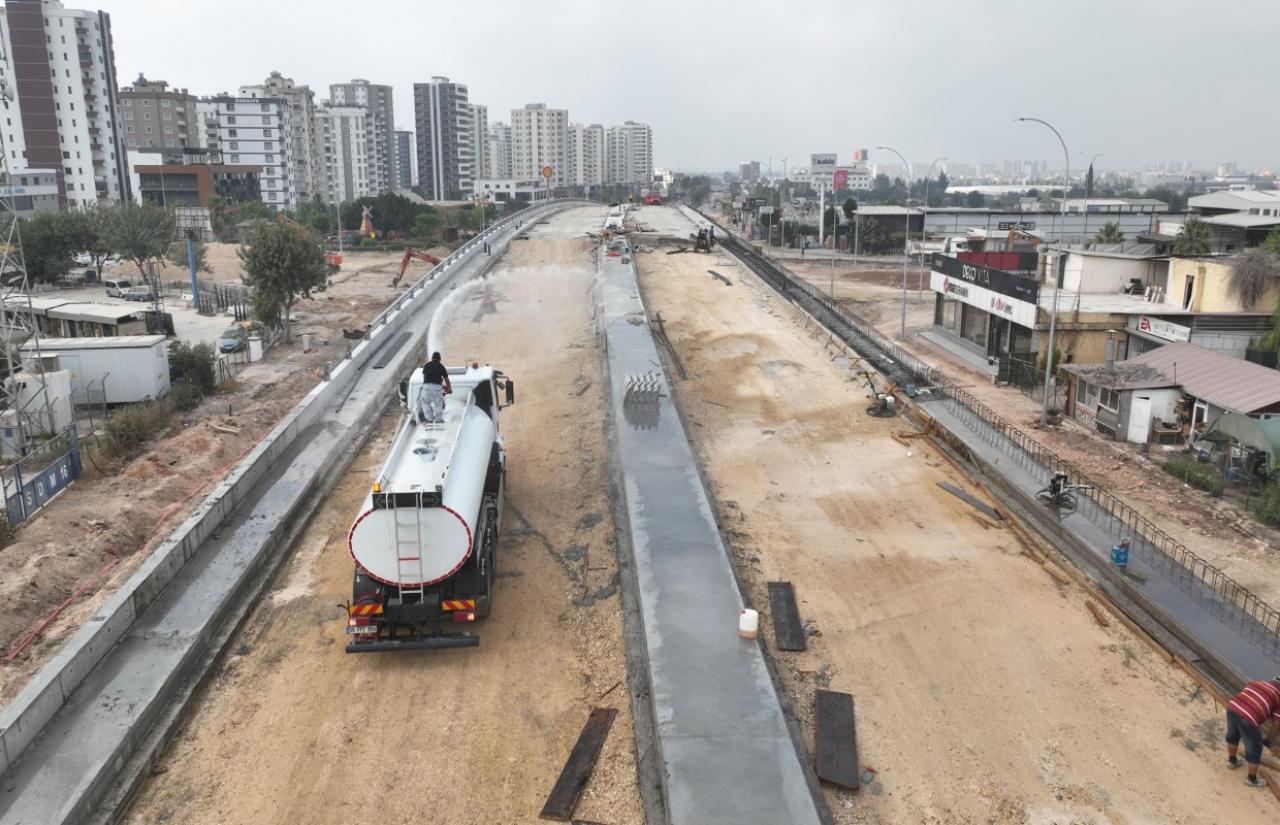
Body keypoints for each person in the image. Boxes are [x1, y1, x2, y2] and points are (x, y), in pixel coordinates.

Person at [1225, 676, 1280, 789]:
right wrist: (1269, 740)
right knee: (1255, 749)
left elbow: (1252, 697)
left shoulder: (1257, 682)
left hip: (1232, 707)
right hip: (1249, 719)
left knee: (1233, 736)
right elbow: (1277, 724)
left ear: (1272, 681)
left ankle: (1232, 761)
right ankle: (1252, 779)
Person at [417, 352, 452, 424]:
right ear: (439, 359)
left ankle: (429, 419)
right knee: (438, 403)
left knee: (425, 403)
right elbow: (446, 380)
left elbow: (427, 378)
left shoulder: (426, 365)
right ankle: (438, 420)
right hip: (437, 387)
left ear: (432, 358)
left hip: (426, 386)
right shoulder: (441, 366)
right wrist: (449, 389)